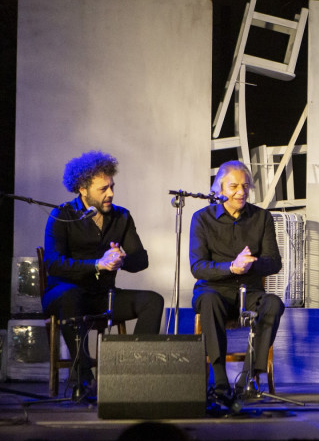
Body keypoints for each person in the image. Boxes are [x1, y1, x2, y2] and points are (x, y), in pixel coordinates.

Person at [43, 151, 164, 390]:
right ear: (83, 189)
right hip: (64, 295)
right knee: (70, 295)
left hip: (102, 296)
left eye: (112, 186)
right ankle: (83, 377)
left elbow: (141, 260)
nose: (110, 194)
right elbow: (54, 264)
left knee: (153, 301)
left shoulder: (121, 216)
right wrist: (98, 264)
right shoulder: (62, 215)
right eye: (103, 189)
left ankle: (134, 374)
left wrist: (122, 258)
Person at [189, 160, 285, 400]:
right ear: (220, 189)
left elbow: (274, 261)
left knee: (273, 303)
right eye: (233, 186)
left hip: (249, 291)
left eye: (245, 186)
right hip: (214, 289)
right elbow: (198, 267)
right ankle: (220, 381)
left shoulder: (261, 218)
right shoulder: (201, 218)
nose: (240, 192)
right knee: (209, 301)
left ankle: (249, 377)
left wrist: (250, 264)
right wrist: (231, 267)